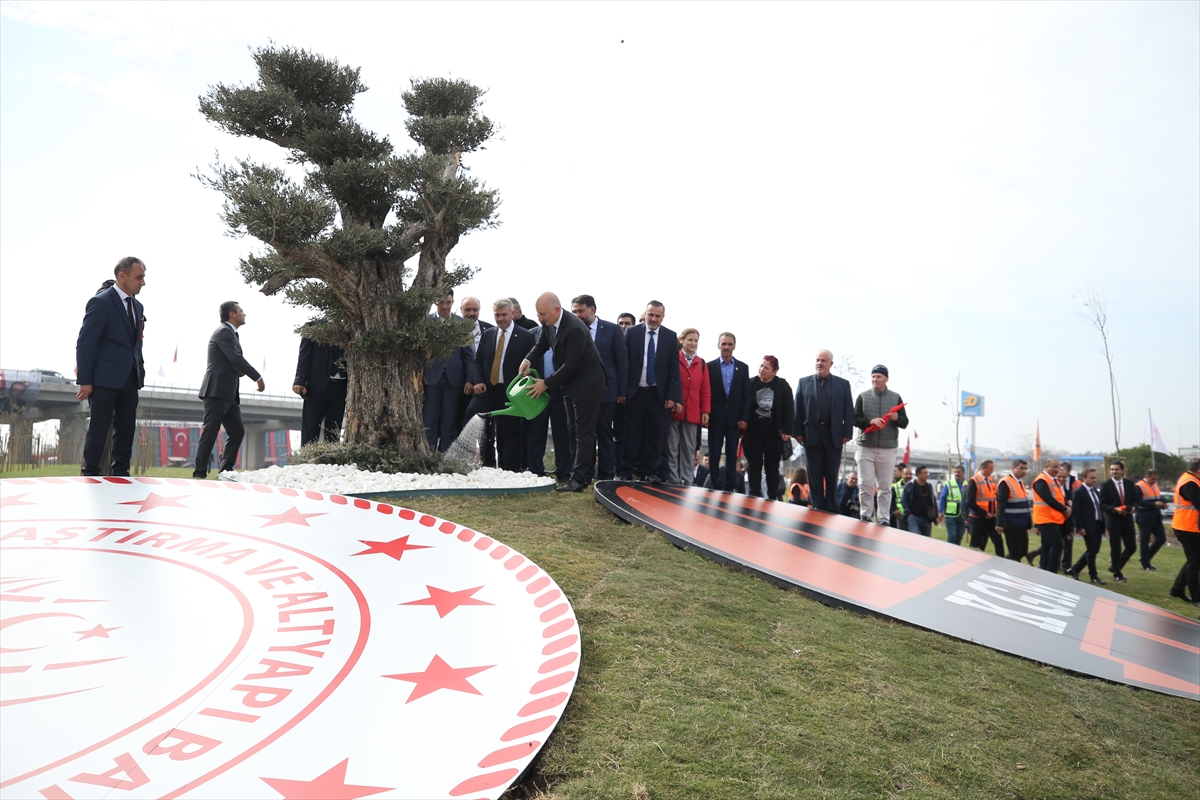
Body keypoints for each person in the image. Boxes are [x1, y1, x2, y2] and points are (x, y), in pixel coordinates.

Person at [520, 292, 607, 492]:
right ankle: (580, 477)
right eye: (538, 314)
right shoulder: (549, 324)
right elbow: (541, 344)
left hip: (588, 383)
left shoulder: (574, 328)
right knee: (573, 430)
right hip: (570, 384)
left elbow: (571, 365)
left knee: (584, 432)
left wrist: (546, 384)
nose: (540, 318)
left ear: (557, 310)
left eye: (543, 314)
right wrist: (527, 360)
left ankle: (577, 480)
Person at [75, 257, 147, 476]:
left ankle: (121, 474)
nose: (143, 282)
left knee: (126, 429)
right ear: (122, 276)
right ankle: (91, 472)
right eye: (139, 277)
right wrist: (85, 380)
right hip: (104, 378)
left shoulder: (138, 306)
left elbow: (135, 345)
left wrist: (139, 370)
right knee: (99, 427)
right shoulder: (101, 302)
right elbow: (86, 343)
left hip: (130, 378)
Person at [194, 301, 265, 478]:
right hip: (217, 390)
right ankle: (200, 473)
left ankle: (225, 471)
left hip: (230, 393)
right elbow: (235, 357)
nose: (244, 314)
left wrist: (238, 370)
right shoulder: (224, 332)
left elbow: (230, 360)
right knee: (210, 431)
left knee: (237, 431)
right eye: (241, 311)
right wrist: (257, 377)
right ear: (232, 314)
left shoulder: (232, 334)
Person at [467, 299, 536, 471]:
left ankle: (510, 469)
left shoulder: (525, 336)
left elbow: (532, 363)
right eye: (497, 315)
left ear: (512, 314)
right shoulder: (488, 334)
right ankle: (488, 463)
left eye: (504, 315)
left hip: (510, 392)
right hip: (487, 390)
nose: (500, 319)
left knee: (509, 431)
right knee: (472, 415)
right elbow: (478, 361)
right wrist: (479, 380)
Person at [618, 301, 681, 483]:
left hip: (658, 395)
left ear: (663, 317)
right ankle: (626, 472)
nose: (653, 319)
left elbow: (673, 370)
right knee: (631, 434)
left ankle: (651, 472)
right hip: (635, 393)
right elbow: (624, 364)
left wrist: (672, 396)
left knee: (656, 435)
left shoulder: (670, 336)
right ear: (645, 314)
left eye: (657, 316)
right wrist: (622, 391)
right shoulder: (632, 332)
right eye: (650, 315)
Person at [571, 295, 628, 482]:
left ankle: (606, 477)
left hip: (606, 391)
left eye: (580, 311)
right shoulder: (572, 330)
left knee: (604, 434)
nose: (577, 315)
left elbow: (621, 361)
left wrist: (621, 392)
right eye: (574, 311)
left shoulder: (611, 329)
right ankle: (584, 475)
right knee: (585, 434)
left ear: (592, 310)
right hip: (580, 392)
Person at [793, 350, 855, 513]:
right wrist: (797, 432)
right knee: (814, 475)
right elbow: (797, 410)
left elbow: (848, 410)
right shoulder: (803, 383)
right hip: (811, 435)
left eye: (823, 361)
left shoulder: (843, 385)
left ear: (831, 364)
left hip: (833, 436)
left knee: (831, 474)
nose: (819, 363)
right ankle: (818, 508)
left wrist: (847, 433)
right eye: (817, 360)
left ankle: (832, 509)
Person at [853, 365, 908, 524]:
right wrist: (869, 421)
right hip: (866, 446)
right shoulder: (862, 396)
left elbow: (905, 423)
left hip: (887, 447)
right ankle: (866, 515)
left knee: (885, 486)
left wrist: (897, 418)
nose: (875, 379)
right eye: (873, 376)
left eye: (878, 377)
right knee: (866, 484)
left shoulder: (896, 397)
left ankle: (884, 518)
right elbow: (855, 418)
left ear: (886, 379)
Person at [524, 315, 573, 483]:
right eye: (540, 314)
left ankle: (564, 472)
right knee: (536, 431)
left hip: (561, 390)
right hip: (538, 391)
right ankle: (535, 471)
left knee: (562, 433)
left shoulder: (567, 333)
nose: (542, 317)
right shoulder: (531, 335)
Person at [422, 290, 471, 453]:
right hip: (431, 379)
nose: (445, 306)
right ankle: (429, 457)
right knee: (430, 419)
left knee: (449, 422)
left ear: (453, 302)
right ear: (436, 302)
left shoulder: (460, 323)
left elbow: (468, 354)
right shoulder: (426, 321)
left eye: (448, 302)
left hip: (454, 380)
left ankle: (445, 459)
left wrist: (470, 379)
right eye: (442, 302)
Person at [705, 332, 752, 492]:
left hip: (735, 420)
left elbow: (746, 395)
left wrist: (744, 417)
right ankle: (714, 484)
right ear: (718, 345)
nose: (726, 347)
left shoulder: (743, 368)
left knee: (732, 454)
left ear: (734, 346)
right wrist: (706, 413)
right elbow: (706, 391)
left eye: (729, 344)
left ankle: (730, 485)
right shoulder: (709, 366)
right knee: (714, 452)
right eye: (723, 344)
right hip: (715, 418)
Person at [743, 356, 793, 501]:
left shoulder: (782, 386)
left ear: (774, 371)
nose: (761, 370)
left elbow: (789, 409)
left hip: (773, 435)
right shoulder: (751, 383)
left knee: (772, 466)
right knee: (754, 465)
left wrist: (787, 430)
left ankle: (772, 496)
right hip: (753, 434)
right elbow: (744, 404)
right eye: (761, 366)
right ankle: (754, 494)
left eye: (766, 368)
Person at [292, 319, 347, 446]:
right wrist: (300, 381)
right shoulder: (312, 327)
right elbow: (304, 356)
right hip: (316, 386)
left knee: (334, 428)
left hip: (341, 387)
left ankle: (331, 462)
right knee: (310, 427)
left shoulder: (350, 328)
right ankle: (307, 461)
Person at [666, 328, 710, 485]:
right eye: (690, 339)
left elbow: (705, 390)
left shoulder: (702, 364)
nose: (693, 343)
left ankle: (687, 479)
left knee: (689, 448)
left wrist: (705, 411)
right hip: (674, 409)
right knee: (671, 446)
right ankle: (673, 479)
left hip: (692, 412)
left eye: (696, 340)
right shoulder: (673, 359)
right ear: (682, 341)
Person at [455, 296, 493, 432]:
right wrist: (469, 379)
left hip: (484, 386)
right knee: (460, 423)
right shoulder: (452, 330)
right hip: (459, 385)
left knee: (486, 426)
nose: (471, 313)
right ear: (461, 310)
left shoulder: (490, 330)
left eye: (475, 310)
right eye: (467, 310)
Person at [1099, 460, 1139, 584]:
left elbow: (1136, 500)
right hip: (1113, 519)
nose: (1114, 471)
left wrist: (1134, 507)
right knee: (1116, 546)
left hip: (1127, 518)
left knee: (1131, 546)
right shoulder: (1106, 485)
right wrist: (1114, 509)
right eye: (1112, 469)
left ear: (1122, 471)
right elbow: (1102, 504)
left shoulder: (1129, 484)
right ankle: (1117, 573)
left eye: (1116, 469)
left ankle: (1115, 566)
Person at [1169, 458, 1200, 607]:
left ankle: (1178, 588)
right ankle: (1196, 597)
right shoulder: (1190, 483)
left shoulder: (1190, 479)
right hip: (1188, 527)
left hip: (1188, 526)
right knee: (1194, 562)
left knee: (1194, 560)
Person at [1067, 468, 1106, 584]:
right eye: (1091, 478)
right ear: (1084, 478)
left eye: (1095, 477)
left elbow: (1099, 509)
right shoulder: (1079, 492)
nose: (1094, 480)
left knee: (1094, 549)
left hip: (1097, 524)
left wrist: (1103, 527)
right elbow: (1076, 512)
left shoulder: (1095, 491)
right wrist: (1080, 527)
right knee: (1092, 550)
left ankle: (1075, 569)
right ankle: (1093, 575)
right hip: (1087, 525)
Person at [1031, 458, 1071, 573]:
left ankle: (1044, 569)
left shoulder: (1053, 480)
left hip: (1053, 518)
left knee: (1047, 546)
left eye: (1058, 467)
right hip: (1045, 519)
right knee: (1057, 544)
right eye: (1053, 467)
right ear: (1046, 466)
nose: (1056, 469)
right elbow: (1048, 498)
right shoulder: (1042, 480)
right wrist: (1064, 509)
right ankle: (1052, 570)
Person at [965, 459, 1004, 557]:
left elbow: (995, 497)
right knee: (976, 544)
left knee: (998, 541)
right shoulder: (974, 481)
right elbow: (969, 501)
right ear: (983, 468)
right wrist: (984, 513)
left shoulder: (991, 479)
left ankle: (1001, 561)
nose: (992, 471)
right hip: (978, 518)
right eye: (990, 469)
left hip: (991, 518)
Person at [996, 460, 1032, 562]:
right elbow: (1001, 504)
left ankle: (1003, 563)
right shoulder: (1006, 482)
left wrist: (1029, 522)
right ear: (1013, 468)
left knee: (1023, 551)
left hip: (1022, 523)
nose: (1024, 471)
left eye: (1025, 469)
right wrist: (999, 523)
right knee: (1015, 553)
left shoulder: (1020, 482)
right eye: (1021, 468)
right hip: (1011, 523)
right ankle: (1010, 570)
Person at [1135, 469, 1169, 571]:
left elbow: (1157, 498)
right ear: (1147, 476)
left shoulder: (1154, 485)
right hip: (1144, 517)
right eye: (1153, 479)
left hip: (1156, 516)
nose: (1154, 481)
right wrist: (1154, 504)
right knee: (1144, 542)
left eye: (1156, 479)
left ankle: (1146, 557)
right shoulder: (1139, 486)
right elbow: (1139, 502)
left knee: (1161, 539)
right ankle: (1146, 565)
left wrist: (1163, 504)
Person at [901, 465, 937, 536]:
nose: (927, 475)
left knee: (927, 539)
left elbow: (933, 501)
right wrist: (909, 514)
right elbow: (903, 500)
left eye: (927, 473)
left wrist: (936, 516)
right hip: (914, 517)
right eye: (924, 473)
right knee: (916, 537)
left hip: (926, 518)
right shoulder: (910, 486)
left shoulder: (929, 486)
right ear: (918, 474)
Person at [939, 464, 968, 546]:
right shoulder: (948, 483)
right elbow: (943, 497)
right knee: (952, 536)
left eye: (958, 472)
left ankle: (957, 555)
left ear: (963, 473)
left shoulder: (967, 484)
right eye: (955, 472)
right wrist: (940, 511)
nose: (956, 474)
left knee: (959, 538)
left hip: (962, 515)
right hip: (950, 515)